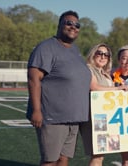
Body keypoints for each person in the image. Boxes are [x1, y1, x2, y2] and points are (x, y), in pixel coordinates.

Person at [26, 10, 92, 166]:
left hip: (73, 118)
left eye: (77, 25)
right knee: (50, 160)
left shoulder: (74, 50)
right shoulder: (46, 47)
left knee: (63, 158)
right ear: (59, 25)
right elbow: (34, 78)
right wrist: (36, 110)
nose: (73, 26)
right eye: (68, 23)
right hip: (52, 117)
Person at [80, 43, 128, 166]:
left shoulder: (106, 73)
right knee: (97, 155)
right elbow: (94, 87)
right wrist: (118, 89)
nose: (103, 57)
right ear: (93, 54)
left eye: (106, 55)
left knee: (100, 155)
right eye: (99, 53)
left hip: (105, 118)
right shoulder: (88, 69)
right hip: (93, 117)